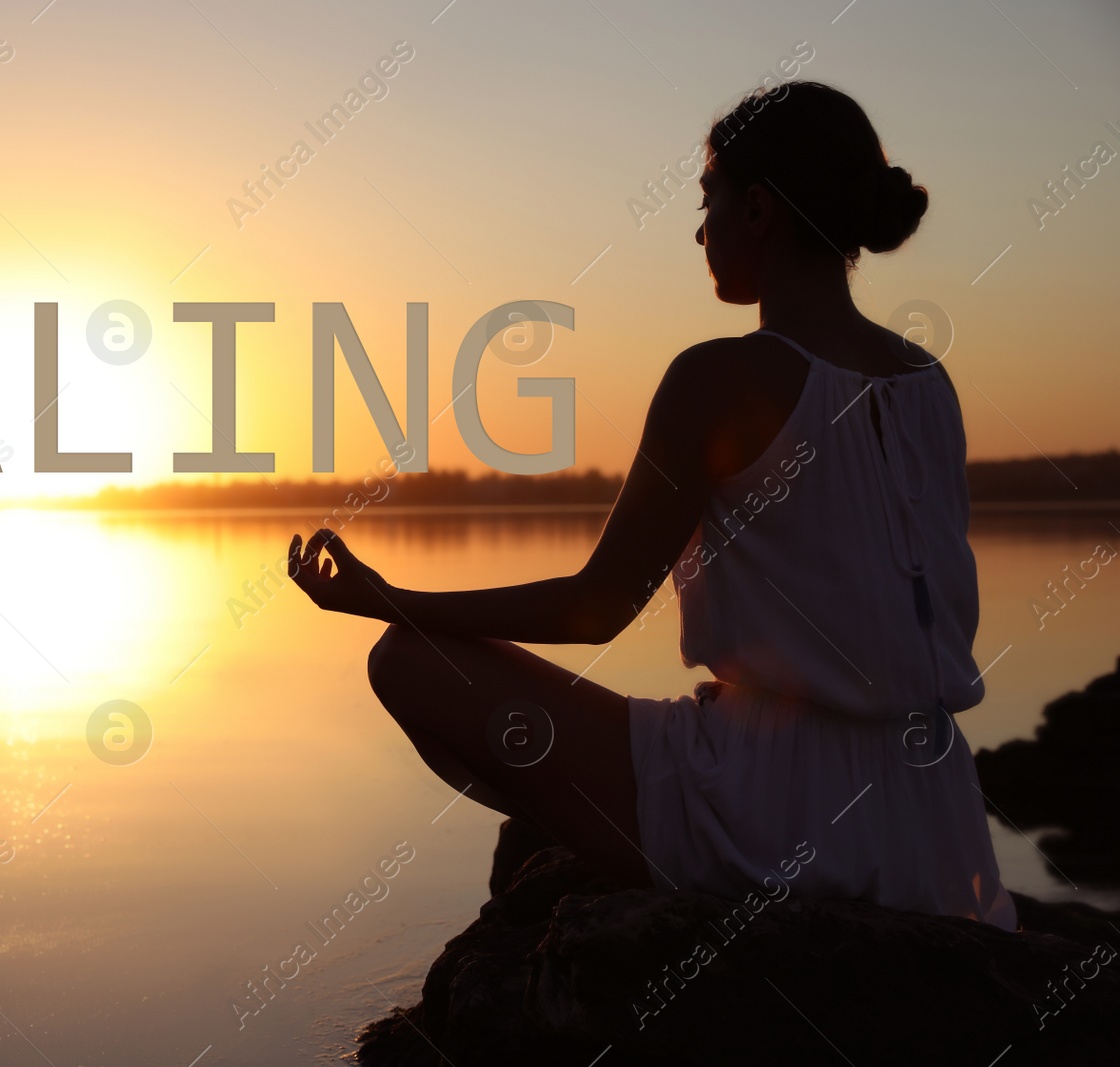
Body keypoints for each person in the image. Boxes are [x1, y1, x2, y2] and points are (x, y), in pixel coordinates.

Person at [287, 82, 1017, 931]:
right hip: (935, 812)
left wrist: (393, 602)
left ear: (757, 210)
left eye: (707, 201)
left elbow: (599, 606)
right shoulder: (930, 383)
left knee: (406, 662)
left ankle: (626, 876)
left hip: (778, 804)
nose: (698, 230)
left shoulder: (716, 379)